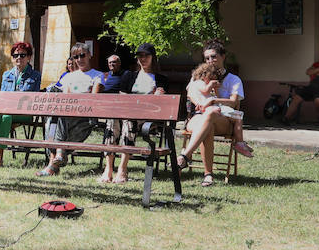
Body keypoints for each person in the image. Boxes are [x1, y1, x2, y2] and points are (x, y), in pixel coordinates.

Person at [177, 40, 253, 187]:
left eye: (213, 56)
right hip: (198, 117)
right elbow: (190, 93)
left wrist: (211, 101)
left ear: (223, 56)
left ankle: (185, 156)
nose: (210, 61)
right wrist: (197, 101)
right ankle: (208, 175)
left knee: (211, 114)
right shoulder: (200, 75)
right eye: (207, 58)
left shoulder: (234, 79)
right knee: (207, 124)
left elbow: (233, 103)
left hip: (223, 120)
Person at [98, 43, 168, 184]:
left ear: (153, 58)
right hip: (126, 112)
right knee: (112, 120)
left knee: (129, 121)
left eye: (146, 55)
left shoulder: (160, 79)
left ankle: (122, 168)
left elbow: (158, 103)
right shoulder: (129, 75)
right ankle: (108, 168)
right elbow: (123, 98)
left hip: (146, 116)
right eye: (140, 56)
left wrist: (157, 96)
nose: (143, 58)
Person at [38, 44, 104, 176]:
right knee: (52, 118)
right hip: (66, 118)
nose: (79, 59)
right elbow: (66, 99)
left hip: (85, 119)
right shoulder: (69, 77)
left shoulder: (97, 75)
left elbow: (93, 100)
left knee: (55, 119)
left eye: (82, 55)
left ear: (89, 55)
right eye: (76, 57)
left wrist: (78, 100)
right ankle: (57, 158)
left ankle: (54, 161)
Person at [0, 40, 41, 166]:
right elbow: (2, 96)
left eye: (23, 55)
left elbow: (33, 97)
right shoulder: (6, 74)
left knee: (3, 113)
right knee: (5, 115)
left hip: (24, 112)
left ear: (29, 57)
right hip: (6, 111)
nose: (19, 58)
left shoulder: (35, 75)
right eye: (15, 55)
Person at [284, 45, 319, 124]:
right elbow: (308, 72)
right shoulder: (317, 64)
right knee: (297, 97)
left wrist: (315, 71)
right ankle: (286, 118)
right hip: (311, 87)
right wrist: (318, 69)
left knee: (318, 100)